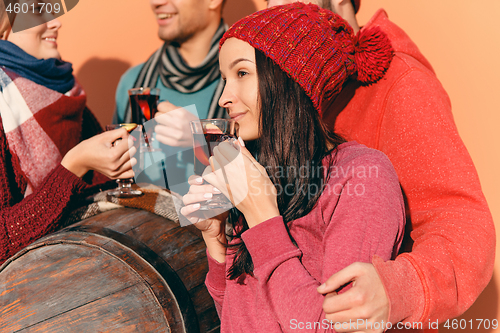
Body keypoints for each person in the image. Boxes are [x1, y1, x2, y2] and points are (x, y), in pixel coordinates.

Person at [264, 0, 496, 331]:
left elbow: (465, 226)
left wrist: (397, 289)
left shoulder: (402, 83)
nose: (277, 8)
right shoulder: (287, 85)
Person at [181, 3, 405, 332]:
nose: (225, 97)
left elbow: (334, 328)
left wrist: (263, 219)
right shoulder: (260, 174)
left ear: (289, 77)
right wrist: (217, 244)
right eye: (225, 79)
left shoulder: (360, 177)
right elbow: (238, 318)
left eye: (242, 73)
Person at [0, 1, 137, 264]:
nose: (56, 22)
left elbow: (101, 196)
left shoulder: (67, 93)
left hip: (74, 269)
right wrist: (73, 166)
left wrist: (146, 148)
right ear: (4, 27)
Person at [113, 0, 227, 193]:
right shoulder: (133, 83)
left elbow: (269, 175)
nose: (156, 2)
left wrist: (202, 137)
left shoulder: (249, 78)